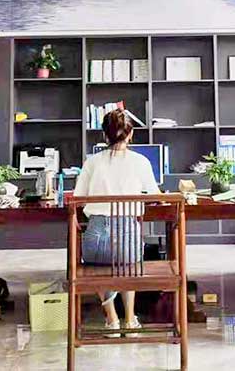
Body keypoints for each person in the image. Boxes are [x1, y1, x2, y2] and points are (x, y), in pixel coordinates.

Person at [73, 109, 160, 336]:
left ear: (105, 135)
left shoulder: (92, 162)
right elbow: (157, 196)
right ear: (130, 134)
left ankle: (111, 320)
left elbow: (78, 199)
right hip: (128, 244)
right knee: (126, 265)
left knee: (99, 266)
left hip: (95, 243)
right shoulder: (141, 162)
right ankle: (130, 320)